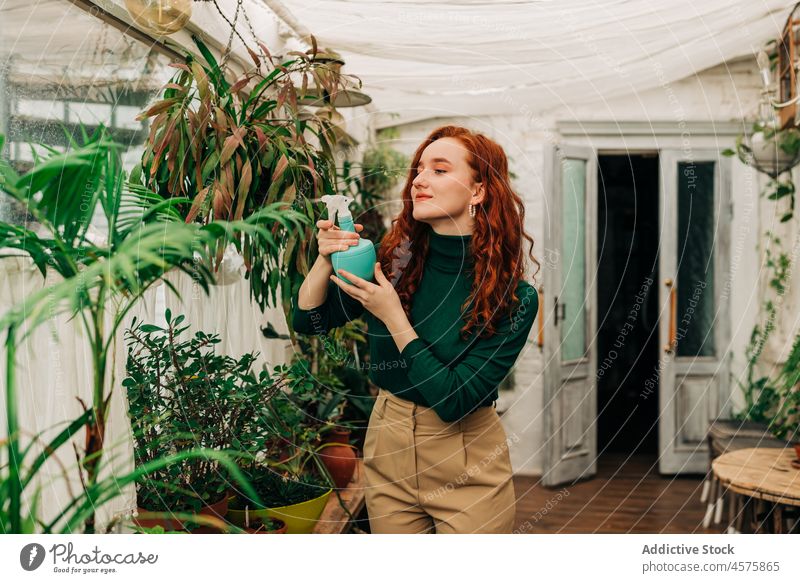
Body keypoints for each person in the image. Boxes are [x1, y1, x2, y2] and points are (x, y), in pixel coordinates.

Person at [291, 125, 540, 533]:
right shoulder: (395, 262)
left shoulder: (514, 299)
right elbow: (309, 320)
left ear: (478, 191)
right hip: (388, 445)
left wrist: (393, 317)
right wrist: (325, 258)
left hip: (465, 457)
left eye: (440, 170)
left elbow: (454, 399)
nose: (420, 179)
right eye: (420, 169)